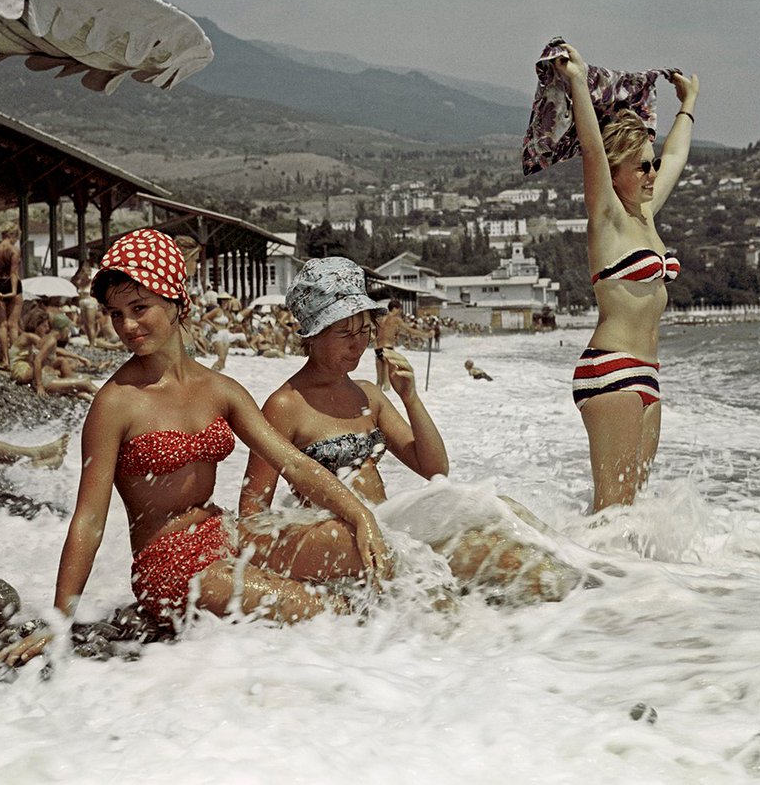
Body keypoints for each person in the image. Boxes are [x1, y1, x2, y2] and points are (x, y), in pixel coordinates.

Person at [0, 229, 391, 667]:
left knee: (374, 550)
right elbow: (89, 519)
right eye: (116, 314)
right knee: (330, 611)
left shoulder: (220, 389)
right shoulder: (115, 404)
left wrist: (361, 515)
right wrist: (59, 619)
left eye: (139, 308)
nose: (127, 326)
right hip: (170, 567)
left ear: (177, 302)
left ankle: (429, 658)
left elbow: (293, 464)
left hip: (226, 535)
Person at [243, 257, 582, 602]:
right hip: (350, 546)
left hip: (390, 526)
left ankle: (588, 569)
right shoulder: (285, 406)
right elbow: (252, 515)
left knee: (503, 511)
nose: (357, 344)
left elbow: (434, 468)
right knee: (503, 558)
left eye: (364, 330)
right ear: (313, 334)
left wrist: (411, 398)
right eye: (344, 333)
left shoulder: (368, 395)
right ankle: (581, 601)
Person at [554, 41, 699, 511]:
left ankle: (584, 560)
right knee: (612, 510)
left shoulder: (646, 215)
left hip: (647, 374)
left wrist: (688, 105)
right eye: (642, 167)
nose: (652, 173)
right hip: (610, 369)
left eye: (651, 164)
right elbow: (592, 150)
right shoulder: (608, 218)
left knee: (630, 509)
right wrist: (578, 82)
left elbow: (676, 158)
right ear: (616, 173)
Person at [0, 223, 23, 365]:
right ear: (13, 235)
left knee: (2, 323)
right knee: (13, 325)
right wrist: (13, 291)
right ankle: (15, 358)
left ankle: (5, 359)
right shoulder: (14, 251)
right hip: (12, 284)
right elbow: (13, 272)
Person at [374, 299, 431, 392]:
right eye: (399, 309)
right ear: (394, 308)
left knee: (379, 382)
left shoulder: (380, 319)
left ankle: (374, 400)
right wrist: (426, 335)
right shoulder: (395, 319)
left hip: (378, 349)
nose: (400, 311)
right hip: (388, 349)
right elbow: (409, 330)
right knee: (388, 382)